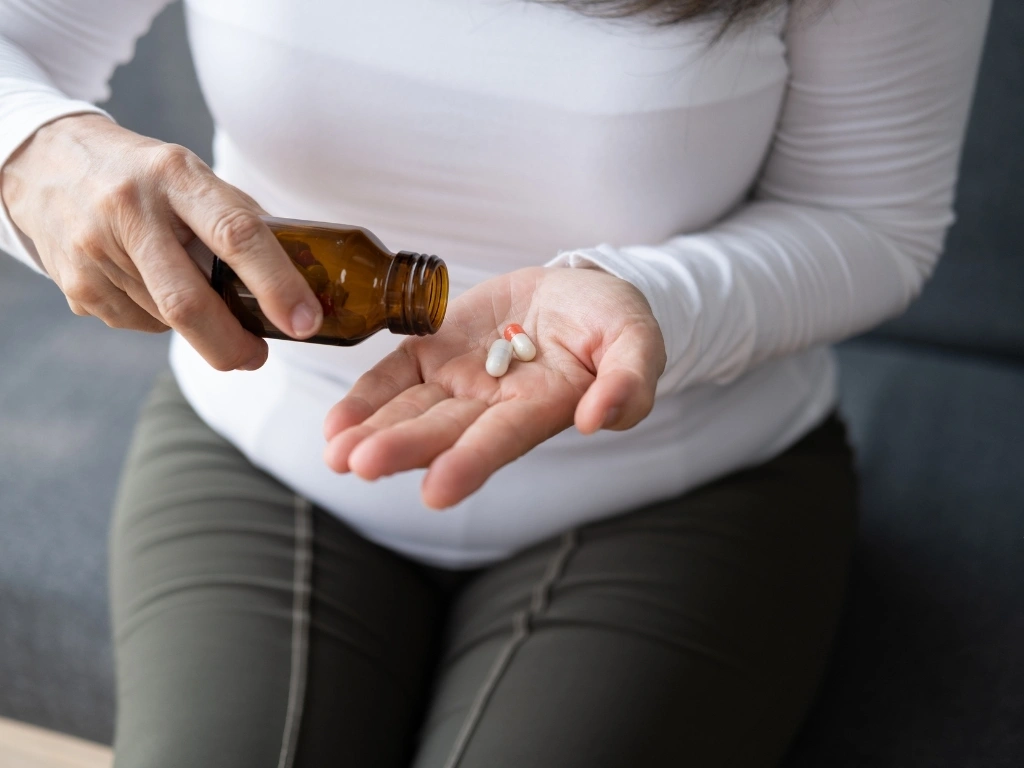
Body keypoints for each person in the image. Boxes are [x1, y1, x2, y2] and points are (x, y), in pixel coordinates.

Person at [0, 0, 991, 765]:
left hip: (675, 475)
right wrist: (34, 149)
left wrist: (641, 298)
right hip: (267, 441)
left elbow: (873, 222)